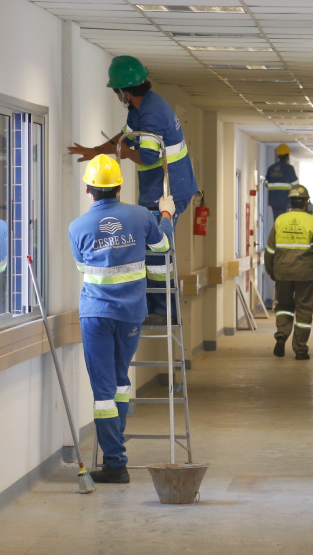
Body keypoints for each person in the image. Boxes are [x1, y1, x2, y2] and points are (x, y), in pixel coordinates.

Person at [68, 154, 176, 483]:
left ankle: (115, 462)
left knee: (103, 391)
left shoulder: (78, 227)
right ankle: (116, 451)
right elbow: (163, 246)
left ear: (89, 188)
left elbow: (82, 269)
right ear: (119, 186)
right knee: (120, 381)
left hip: (96, 315)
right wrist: (167, 213)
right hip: (131, 314)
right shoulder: (141, 216)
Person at [68, 55, 198, 326]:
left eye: (117, 92)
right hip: (162, 187)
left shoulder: (152, 112)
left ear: (124, 92)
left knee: (158, 251)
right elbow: (121, 137)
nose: (118, 96)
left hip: (168, 190)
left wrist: (124, 152)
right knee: (153, 250)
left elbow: (148, 156)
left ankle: (164, 311)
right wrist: (95, 151)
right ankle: (155, 307)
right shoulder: (140, 109)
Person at [264, 185, 313, 360]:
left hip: (283, 272)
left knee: (284, 306)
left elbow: (270, 250)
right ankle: (300, 349)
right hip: (305, 275)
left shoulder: (280, 220)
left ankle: (281, 336)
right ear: (306, 203)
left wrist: (271, 270)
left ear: (291, 202)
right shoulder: (312, 222)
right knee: (303, 310)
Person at [264, 144, 299, 221]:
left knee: (277, 221)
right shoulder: (289, 168)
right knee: (285, 221)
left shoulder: (271, 168)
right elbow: (296, 184)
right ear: (287, 156)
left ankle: (277, 232)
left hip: (274, 201)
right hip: (285, 200)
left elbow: (266, 183)